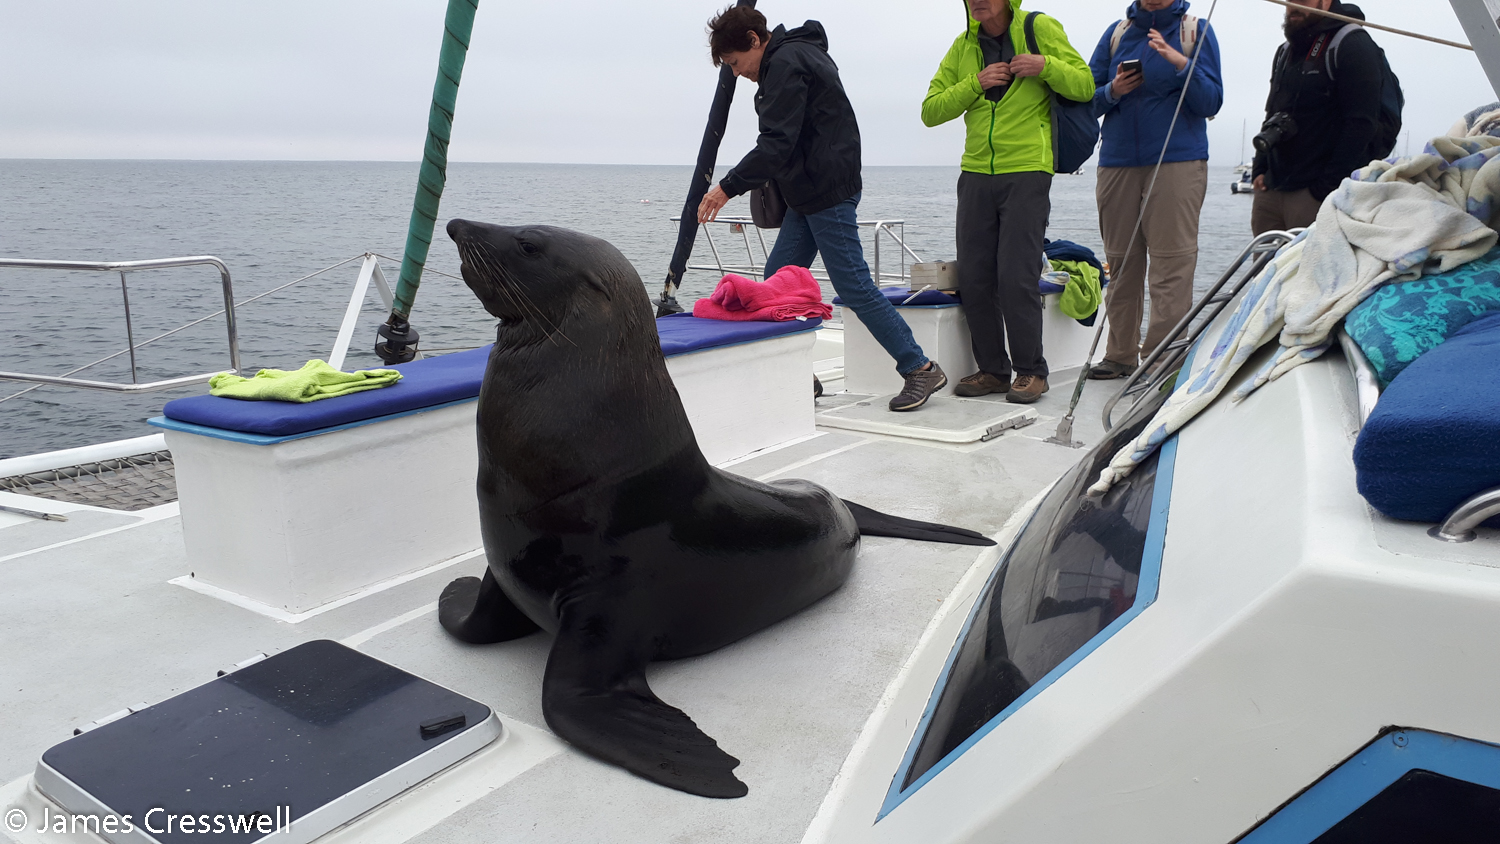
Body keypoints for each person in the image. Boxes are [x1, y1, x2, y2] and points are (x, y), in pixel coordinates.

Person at [697, 6, 947, 412]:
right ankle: (800, 375)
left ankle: (919, 367)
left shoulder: (786, 62)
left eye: (736, 63)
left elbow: (777, 143)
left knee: (853, 286)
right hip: (810, 191)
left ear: (754, 41)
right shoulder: (795, 55)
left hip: (827, 191)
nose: (738, 74)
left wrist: (725, 188)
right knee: (775, 280)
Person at [921, 0, 1095, 404]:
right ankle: (993, 371)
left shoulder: (1040, 27)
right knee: (976, 277)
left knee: (1016, 275)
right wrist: (974, 83)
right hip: (976, 173)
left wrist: (1046, 66)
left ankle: (1032, 371)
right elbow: (930, 111)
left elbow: (1085, 84)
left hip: (1028, 170)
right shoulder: (963, 47)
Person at [1085, 0, 1222, 380]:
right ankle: (1119, 356)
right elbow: (1085, 101)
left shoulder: (1194, 32)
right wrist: (1113, 90)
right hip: (1117, 162)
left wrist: (1179, 63)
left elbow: (1211, 101)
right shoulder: (1117, 35)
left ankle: (1163, 363)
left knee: (1171, 265)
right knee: (1121, 262)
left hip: (1178, 161)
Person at [1250, 0, 1388, 234]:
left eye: (1302, 1)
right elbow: (1272, 111)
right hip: (1272, 189)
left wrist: (1325, 187)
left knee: (1309, 269)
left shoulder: (1352, 44)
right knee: (1263, 269)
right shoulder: (1285, 51)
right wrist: (1260, 169)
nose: (1293, 6)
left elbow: (1362, 124)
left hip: (1315, 194)